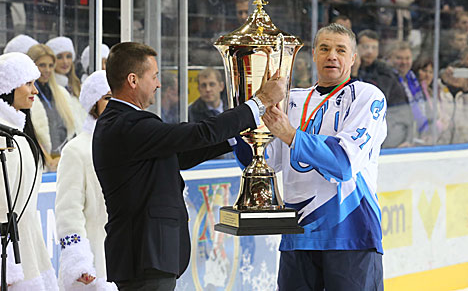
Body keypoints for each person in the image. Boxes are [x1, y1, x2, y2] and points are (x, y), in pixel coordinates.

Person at [92, 42, 286, 290]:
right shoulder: (127, 124)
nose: (158, 84)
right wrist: (260, 102)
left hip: (147, 256)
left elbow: (178, 156)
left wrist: (234, 135)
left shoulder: (123, 122)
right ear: (133, 80)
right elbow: (198, 133)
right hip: (144, 254)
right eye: (154, 77)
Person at [239, 23, 387, 290]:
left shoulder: (367, 96)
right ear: (314, 55)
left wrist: (291, 135)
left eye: (341, 50)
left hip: (351, 234)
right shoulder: (291, 100)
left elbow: (343, 164)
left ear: (353, 59)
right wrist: (242, 116)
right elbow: (266, 161)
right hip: (298, 236)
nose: (332, 55)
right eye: (324, 48)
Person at [0, 52, 59, 289]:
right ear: (8, 86)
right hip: (9, 258)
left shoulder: (22, 136)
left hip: (30, 253)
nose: (35, 91)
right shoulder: (5, 140)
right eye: (28, 83)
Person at [55, 71, 117, 290]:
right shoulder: (77, 150)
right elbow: (67, 211)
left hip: (130, 261)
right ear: (94, 104)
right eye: (108, 98)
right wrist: (79, 261)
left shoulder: (132, 144)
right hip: (96, 265)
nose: (115, 103)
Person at [27, 44, 76, 171]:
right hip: (40, 162)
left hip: (63, 160)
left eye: (50, 65)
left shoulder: (62, 94)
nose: (47, 70)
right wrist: (47, 159)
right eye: (42, 65)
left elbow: (72, 131)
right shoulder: (26, 96)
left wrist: (65, 157)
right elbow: (28, 132)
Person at [46, 36, 87, 129]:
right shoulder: (50, 88)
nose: (65, 62)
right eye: (59, 57)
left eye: (68, 56)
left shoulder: (76, 86)